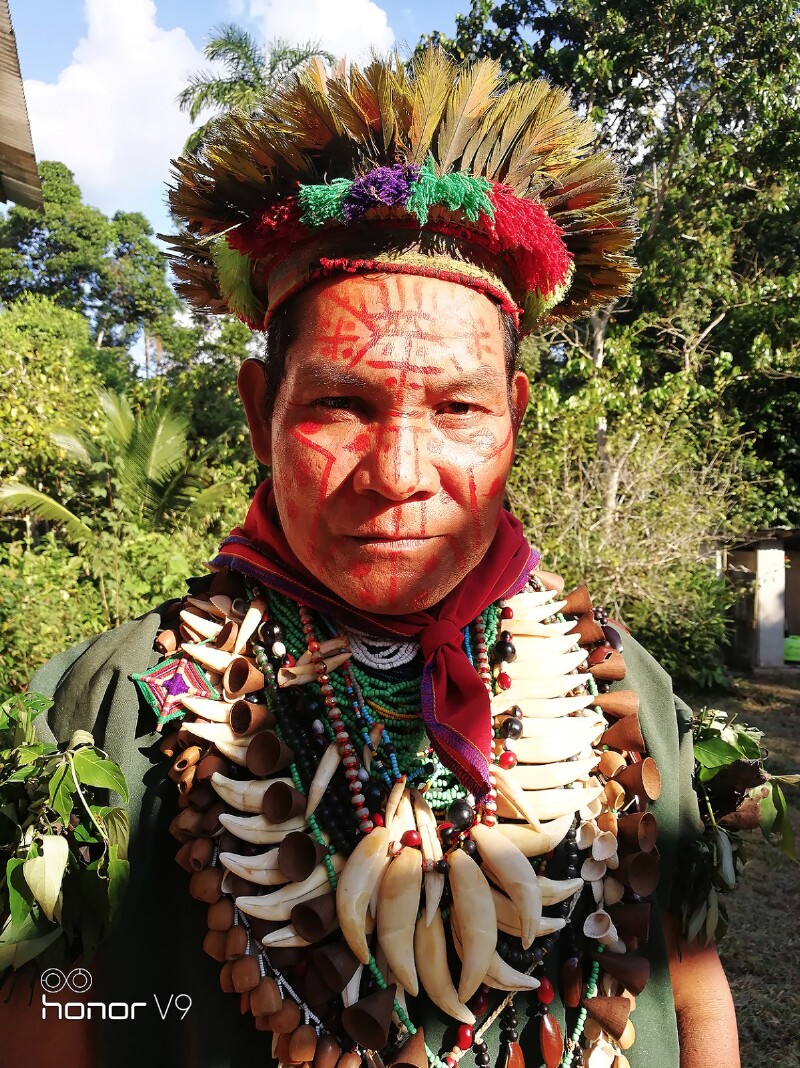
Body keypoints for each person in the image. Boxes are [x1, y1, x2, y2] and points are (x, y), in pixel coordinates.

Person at [1, 51, 739, 1068]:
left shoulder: (625, 694)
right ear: (262, 413)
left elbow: (691, 1000)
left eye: (457, 409)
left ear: (514, 420)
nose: (397, 474)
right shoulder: (129, 705)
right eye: (341, 405)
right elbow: (51, 1021)